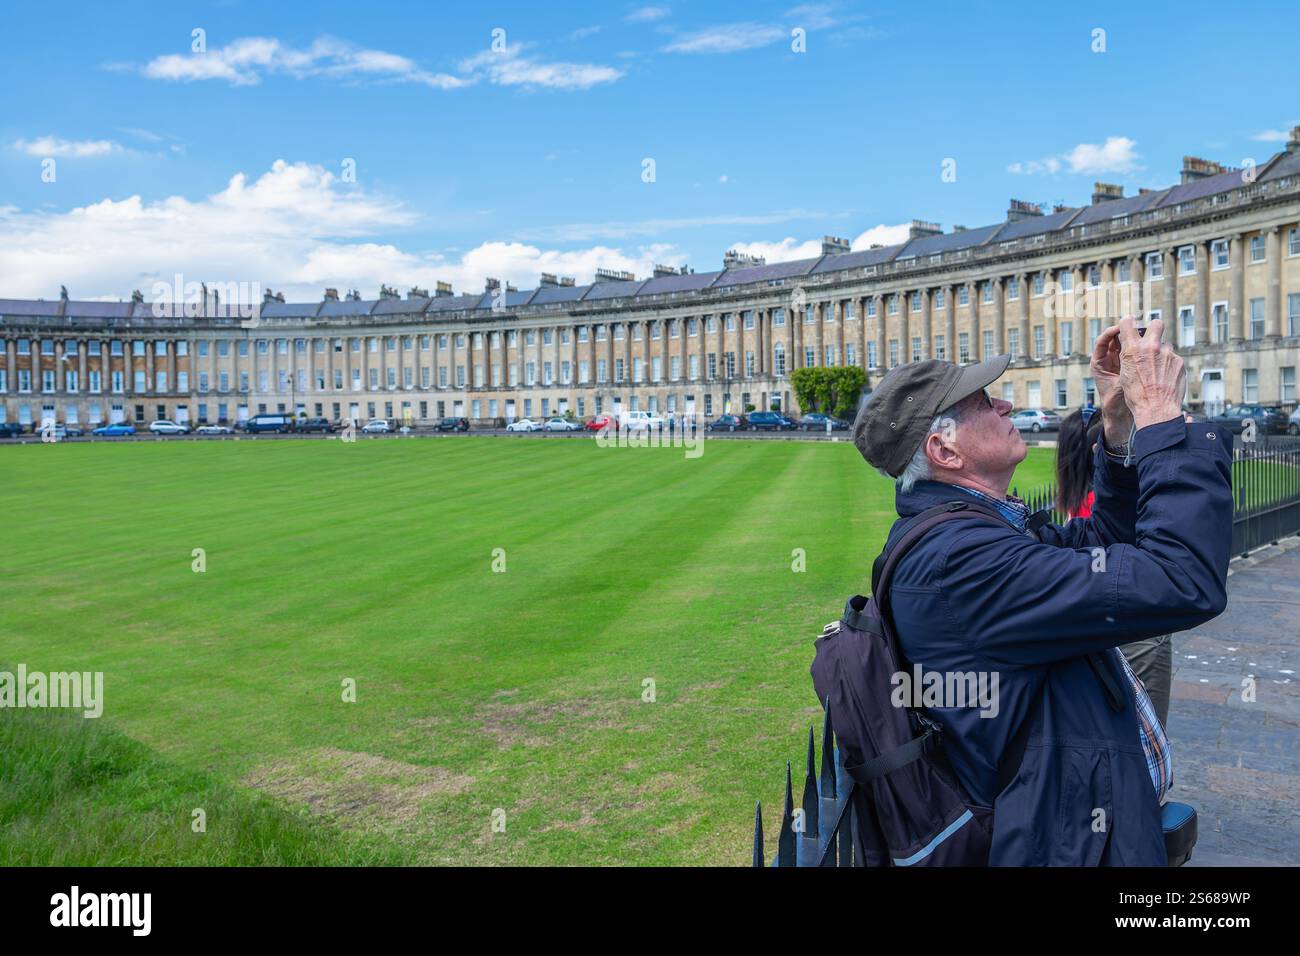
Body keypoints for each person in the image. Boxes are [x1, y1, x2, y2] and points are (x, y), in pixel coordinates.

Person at [850, 316, 1232, 865]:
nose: (1005, 406)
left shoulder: (981, 531)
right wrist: (1162, 419)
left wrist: (1120, 422)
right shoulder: (963, 562)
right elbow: (1179, 577)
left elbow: (1105, 543)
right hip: (1065, 846)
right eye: (984, 402)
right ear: (945, 450)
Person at [1057, 408, 1174, 726]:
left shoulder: (1074, 501)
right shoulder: (1114, 502)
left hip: (1091, 625)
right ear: (1098, 452)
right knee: (1145, 735)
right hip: (1136, 627)